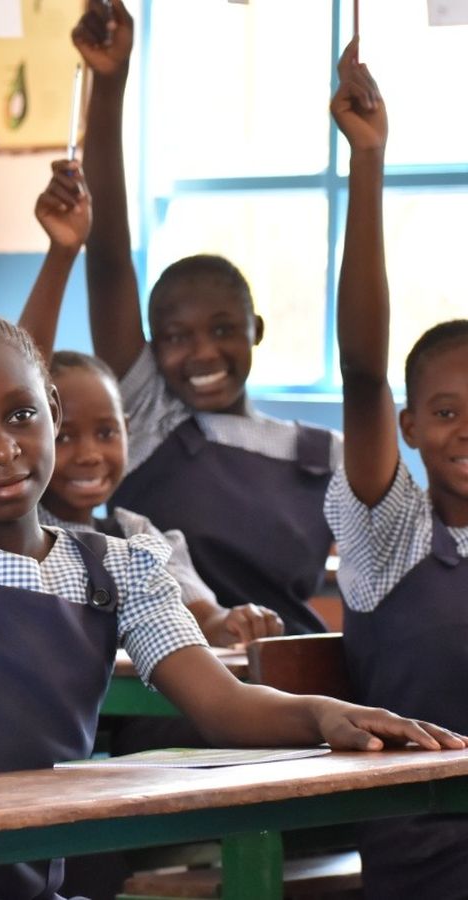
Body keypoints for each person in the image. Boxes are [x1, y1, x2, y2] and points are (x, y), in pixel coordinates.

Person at [0, 32, 463, 900]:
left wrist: (323, 714)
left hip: (31, 884)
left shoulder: (120, 569)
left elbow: (222, 704)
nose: (2, 448)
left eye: (21, 416)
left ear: (52, 411)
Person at [73, 0, 340, 635]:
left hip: (290, 672)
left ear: (257, 332)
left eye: (223, 330)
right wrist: (109, 83)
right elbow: (107, 259)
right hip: (167, 673)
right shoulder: (146, 419)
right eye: (175, 337)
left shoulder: (325, 454)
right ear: (149, 348)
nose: (202, 353)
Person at [18, 160, 283, 648]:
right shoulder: (14, 525)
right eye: (64, 436)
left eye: (106, 433)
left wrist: (232, 623)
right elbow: (19, 382)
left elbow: (199, 614)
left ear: (127, 429)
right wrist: (62, 254)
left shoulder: (138, 536)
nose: (89, 454)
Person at [327, 40, 468, 899]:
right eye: (446, 412)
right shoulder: (393, 536)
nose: (467, 431)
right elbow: (361, 369)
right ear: (409, 426)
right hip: (427, 853)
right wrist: (369, 163)